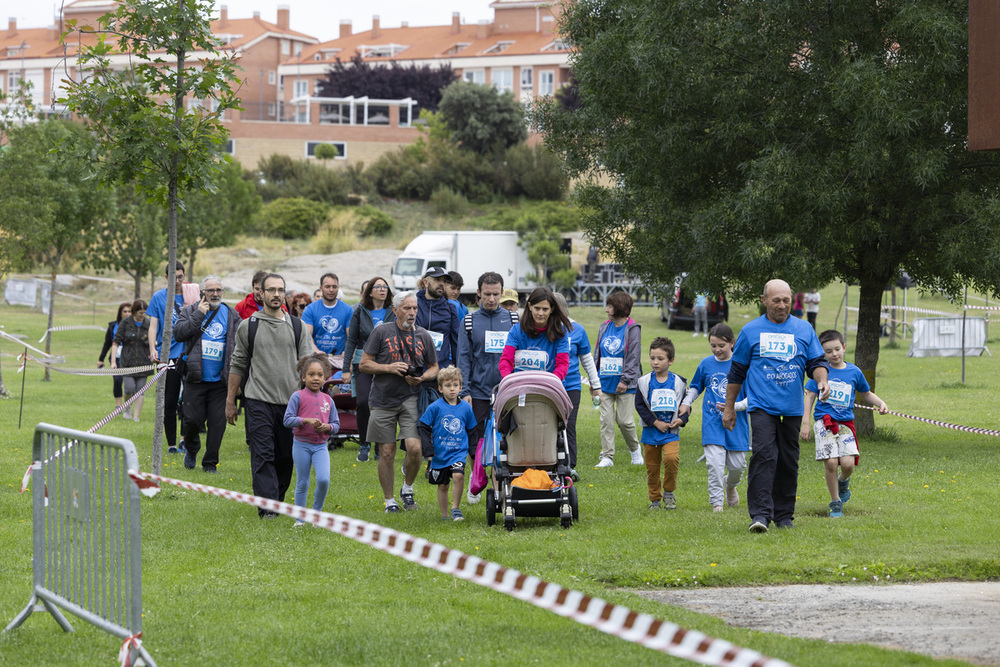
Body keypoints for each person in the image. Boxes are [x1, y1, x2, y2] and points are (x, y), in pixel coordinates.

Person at [723, 279, 830, 533]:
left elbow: (816, 362)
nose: (782, 305)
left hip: (792, 408)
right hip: (762, 406)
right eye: (776, 300)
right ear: (764, 301)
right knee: (764, 455)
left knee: (788, 460)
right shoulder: (750, 331)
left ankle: (784, 516)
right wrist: (729, 407)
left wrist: (822, 380)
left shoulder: (804, 329)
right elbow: (736, 373)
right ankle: (760, 515)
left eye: (786, 300)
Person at [226, 273, 313, 518]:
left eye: (280, 290)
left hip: (290, 404)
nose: (276, 294)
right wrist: (230, 401)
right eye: (271, 289)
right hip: (257, 401)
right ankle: (268, 509)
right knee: (263, 455)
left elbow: (308, 366)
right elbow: (237, 365)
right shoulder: (249, 325)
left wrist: (310, 403)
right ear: (260, 294)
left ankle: (277, 500)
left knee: (285, 457)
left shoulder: (297, 326)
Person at [359, 291, 439, 513]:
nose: (412, 312)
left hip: (411, 397)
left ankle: (408, 488)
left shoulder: (423, 335)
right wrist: (389, 368)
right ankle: (389, 500)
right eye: (407, 308)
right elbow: (364, 364)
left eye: (414, 308)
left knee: (415, 448)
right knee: (387, 452)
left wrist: (422, 377)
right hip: (383, 399)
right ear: (394, 310)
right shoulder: (381, 331)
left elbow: (434, 367)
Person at [800, 329, 888, 518]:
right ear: (822, 354)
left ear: (844, 347)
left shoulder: (854, 372)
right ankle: (835, 502)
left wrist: (880, 403)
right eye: (828, 351)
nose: (834, 354)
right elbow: (809, 397)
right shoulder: (820, 372)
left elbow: (866, 393)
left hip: (846, 424)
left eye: (837, 349)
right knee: (831, 462)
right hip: (824, 423)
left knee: (848, 464)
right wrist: (805, 423)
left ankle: (843, 481)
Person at [457, 272, 519, 502]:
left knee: (507, 436)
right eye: (487, 294)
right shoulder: (469, 321)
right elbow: (463, 357)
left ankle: (501, 482)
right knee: (478, 440)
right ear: (479, 294)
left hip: (507, 390)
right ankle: (477, 477)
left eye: (495, 294)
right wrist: (465, 392)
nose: (491, 299)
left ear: (502, 293)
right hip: (478, 392)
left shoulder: (513, 320)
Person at [174, 276, 241, 473]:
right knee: (192, 420)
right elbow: (178, 334)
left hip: (221, 381)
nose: (215, 294)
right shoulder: (190, 311)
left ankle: (210, 463)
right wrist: (198, 316)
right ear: (203, 292)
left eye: (218, 290)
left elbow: (239, 345)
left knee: (217, 424)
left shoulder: (232, 315)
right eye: (211, 290)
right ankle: (192, 449)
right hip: (195, 377)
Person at [679, 323, 749, 512]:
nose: (717, 350)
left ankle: (731, 485)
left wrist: (734, 406)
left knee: (737, 467)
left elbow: (754, 397)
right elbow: (696, 386)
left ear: (732, 343)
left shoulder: (743, 365)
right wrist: (686, 402)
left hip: (737, 423)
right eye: (713, 345)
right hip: (712, 423)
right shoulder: (706, 364)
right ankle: (717, 503)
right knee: (715, 465)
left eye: (721, 346)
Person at [343, 276, 396, 462]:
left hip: (387, 363)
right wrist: (345, 369)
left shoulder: (393, 311)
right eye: (378, 287)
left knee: (381, 404)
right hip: (363, 363)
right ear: (370, 292)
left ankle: (378, 446)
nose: (382, 289)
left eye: (385, 287)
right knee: (364, 401)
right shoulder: (359, 311)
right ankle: (364, 443)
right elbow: (351, 341)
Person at [284, 353, 340, 527]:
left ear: (325, 377)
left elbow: (336, 425)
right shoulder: (297, 396)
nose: (316, 378)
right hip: (301, 445)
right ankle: (299, 520)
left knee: (324, 479)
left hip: (321, 446)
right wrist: (305, 421)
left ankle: (316, 515)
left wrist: (327, 427)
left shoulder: (328, 400)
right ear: (303, 377)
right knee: (303, 481)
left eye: (320, 375)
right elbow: (287, 420)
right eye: (311, 374)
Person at [634, 337, 688, 509]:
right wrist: (655, 422)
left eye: (660, 358)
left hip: (671, 433)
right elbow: (640, 405)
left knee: (672, 459)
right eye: (652, 358)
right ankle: (655, 499)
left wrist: (682, 420)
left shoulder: (678, 382)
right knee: (652, 468)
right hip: (651, 432)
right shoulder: (644, 382)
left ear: (671, 361)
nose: (655, 362)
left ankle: (669, 492)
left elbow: (685, 406)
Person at [552, 292, 600, 478]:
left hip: (571, 385)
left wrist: (595, 386)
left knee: (568, 426)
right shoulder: (543, 330)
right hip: (549, 386)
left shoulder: (577, 329)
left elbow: (587, 360)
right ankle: (550, 463)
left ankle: (569, 466)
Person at [419, 366, 477, 521]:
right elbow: (423, 427)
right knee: (443, 485)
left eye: (455, 385)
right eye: (448, 386)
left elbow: (472, 430)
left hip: (458, 452)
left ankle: (455, 508)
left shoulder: (466, 408)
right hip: (440, 453)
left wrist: (473, 450)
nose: (452, 389)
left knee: (458, 476)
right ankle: (444, 514)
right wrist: (428, 448)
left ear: (461, 387)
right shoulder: (435, 407)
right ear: (440, 388)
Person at [593, 291, 643, 468]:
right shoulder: (604, 327)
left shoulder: (633, 329)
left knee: (624, 421)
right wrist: (594, 380)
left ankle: (635, 451)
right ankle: (607, 456)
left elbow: (633, 357)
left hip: (626, 383)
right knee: (605, 420)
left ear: (619, 308)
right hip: (604, 381)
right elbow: (597, 353)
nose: (607, 310)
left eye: (610, 306)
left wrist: (625, 380)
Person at [147, 262, 187, 454]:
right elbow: (153, 326)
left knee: (188, 401)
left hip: (188, 356)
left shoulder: (191, 295)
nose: (177, 281)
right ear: (166, 277)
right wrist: (152, 348)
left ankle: (184, 440)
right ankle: (171, 444)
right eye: (173, 277)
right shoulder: (158, 297)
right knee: (169, 401)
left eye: (180, 277)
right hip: (167, 356)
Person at [498, 287, 571, 379]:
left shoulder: (560, 332)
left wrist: (551, 382)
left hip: (550, 386)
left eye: (545, 309)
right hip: (521, 386)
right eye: (537, 308)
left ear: (552, 309)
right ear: (529, 306)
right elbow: (506, 360)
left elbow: (563, 364)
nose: (540, 313)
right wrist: (508, 379)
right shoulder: (516, 330)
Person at [301, 272, 353, 370]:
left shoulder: (348, 310)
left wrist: (348, 351)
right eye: (327, 286)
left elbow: (351, 336)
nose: (331, 290)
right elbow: (307, 336)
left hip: (340, 360)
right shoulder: (310, 309)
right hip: (316, 360)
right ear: (321, 288)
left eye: (334, 287)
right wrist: (316, 351)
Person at [111, 299, 152, 422]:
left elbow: (154, 341)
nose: (142, 315)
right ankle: (127, 407)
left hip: (144, 363)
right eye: (140, 313)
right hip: (127, 363)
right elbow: (115, 342)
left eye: (145, 313)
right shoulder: (125, 323)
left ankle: (136, 417)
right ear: (134, 312)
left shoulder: (149, 324)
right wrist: (113, 361)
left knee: (140, 389)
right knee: (129, 388)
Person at [99, 302, 131, 417]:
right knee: (117, 380)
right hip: (116, 358)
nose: (127, 314)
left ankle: (128, 405)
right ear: (120, 313)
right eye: (125, 311)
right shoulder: (113, 326)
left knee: (129, 384)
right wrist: (101, 359)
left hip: (130, 358)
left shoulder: (135, 325)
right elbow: (107, 343)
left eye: (129, 311)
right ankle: (118, 406)